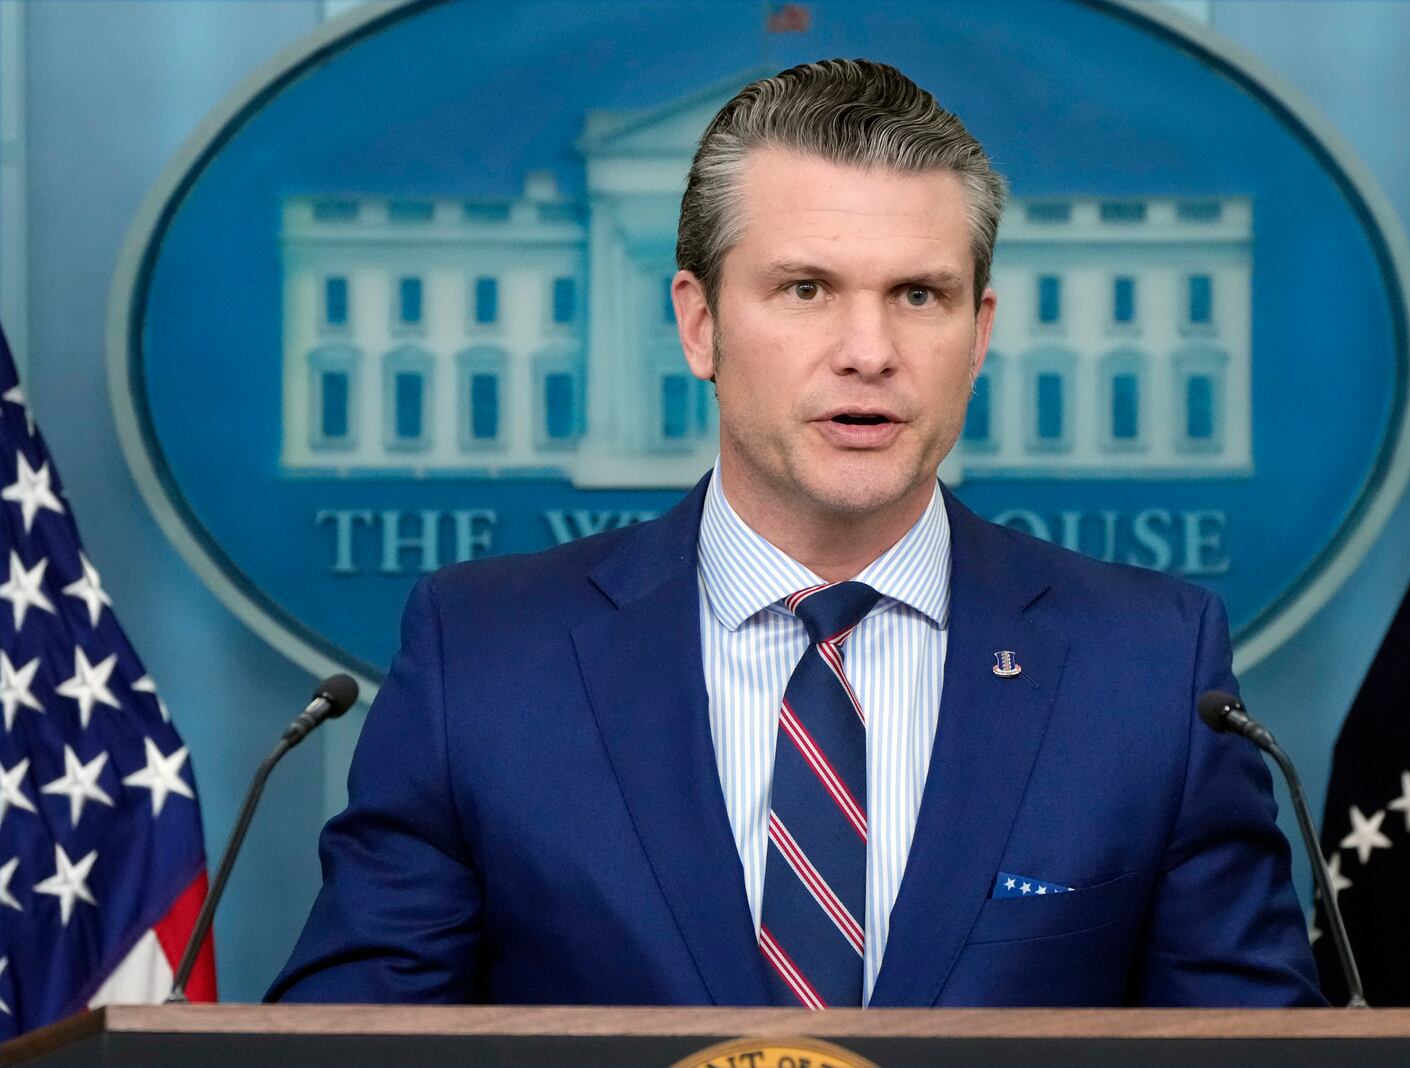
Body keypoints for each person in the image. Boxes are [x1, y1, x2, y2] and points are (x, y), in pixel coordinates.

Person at [268, 59, 1321, 1008]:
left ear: (979, 334)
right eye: (806, 289)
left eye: (918, 295)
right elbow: (350, 1044)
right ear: (699, 325)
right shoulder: (485, 656)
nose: (868, 350)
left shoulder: (1149, 669)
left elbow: (1255, 1055)